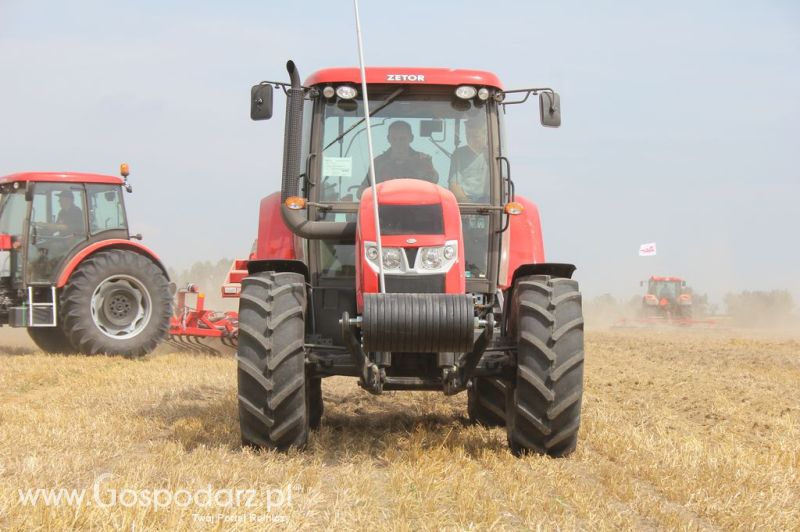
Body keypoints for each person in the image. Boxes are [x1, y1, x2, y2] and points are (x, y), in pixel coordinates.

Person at [361, 120, 438, 193]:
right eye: (394, 139)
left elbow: (433, 184)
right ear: (388, 139)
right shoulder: (378, 163)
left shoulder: (422, 161)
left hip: (417, 205)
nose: (398, 143)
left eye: (402, 139)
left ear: (411, 138)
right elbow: (362, 191)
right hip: (384, 206)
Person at [448, 118, 490, 203]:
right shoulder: (459, 154)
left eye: (475, 136)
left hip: (488, 203)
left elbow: (498, 184)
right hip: (465, 203)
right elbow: (454, 185)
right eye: (468, 136)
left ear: (485, 135)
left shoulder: (492, 155)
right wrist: (468, 205)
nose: (470, 139)